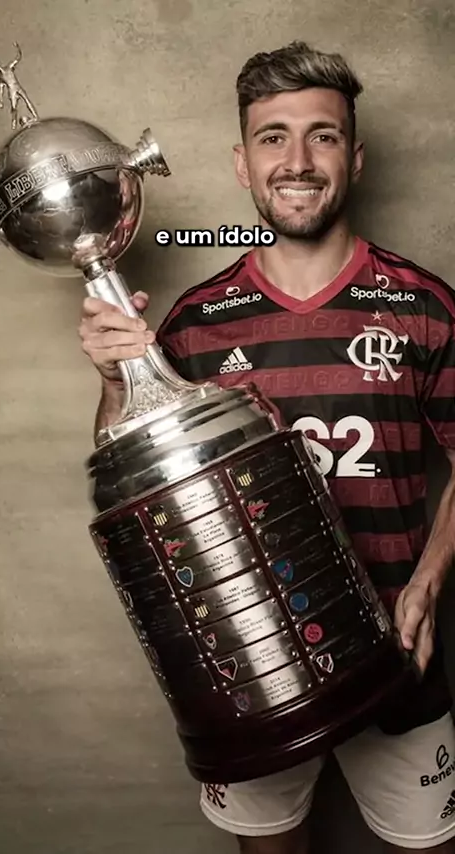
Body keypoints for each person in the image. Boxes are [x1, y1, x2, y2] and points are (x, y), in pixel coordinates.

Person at [78, 40, 455, 854]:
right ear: (242, 164)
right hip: (247, 671)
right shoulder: (194, 324)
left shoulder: (424, 306)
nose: (298, 161)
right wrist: (115, 380)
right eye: (272, 137)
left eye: (323, 135)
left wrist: (427, 584)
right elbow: (135, 487)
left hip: (398, 654)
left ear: (354, 158)